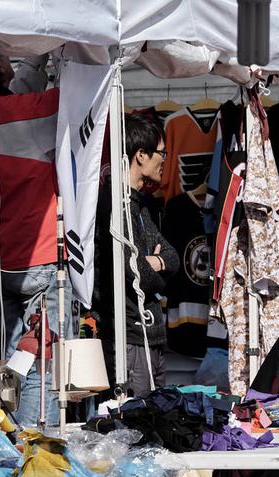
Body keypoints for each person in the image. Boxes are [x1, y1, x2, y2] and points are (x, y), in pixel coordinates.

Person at [0, 47, 70, 426]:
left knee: (14, 362)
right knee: (40, 362)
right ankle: (32, 449)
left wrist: (36, 63)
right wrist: (52, 50)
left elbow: (20, 93)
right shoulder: (27, 112)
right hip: (38, 258)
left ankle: (12, 441)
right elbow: (79, 101)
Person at [95, 114, 179, 397]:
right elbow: (134, 274)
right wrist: (155, 267)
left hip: (151, 336)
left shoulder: (140, 204)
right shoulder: (114, 206)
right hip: (129, 336)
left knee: (157, 420)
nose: (164, 159)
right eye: (161, 153)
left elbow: (173, 257)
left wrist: (155, 263)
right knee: (136, 426)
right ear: (141, 155)